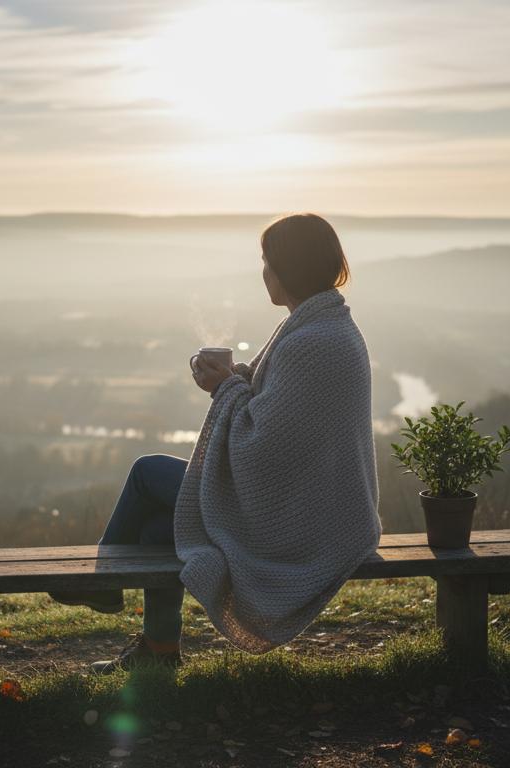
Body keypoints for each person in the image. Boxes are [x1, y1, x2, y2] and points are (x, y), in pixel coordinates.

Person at [48, 212, 381, 674]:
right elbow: (284, 412)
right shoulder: (323, 326)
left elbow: (263, 445)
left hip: (300, 520)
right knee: (158, 534)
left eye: (268, 261)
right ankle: (159, 652)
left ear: (288, 268)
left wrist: (225, 388)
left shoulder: (313, 341)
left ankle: (101, 585)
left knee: (148, 472)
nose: (263, 272)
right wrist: (242, 379)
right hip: (314, 506)